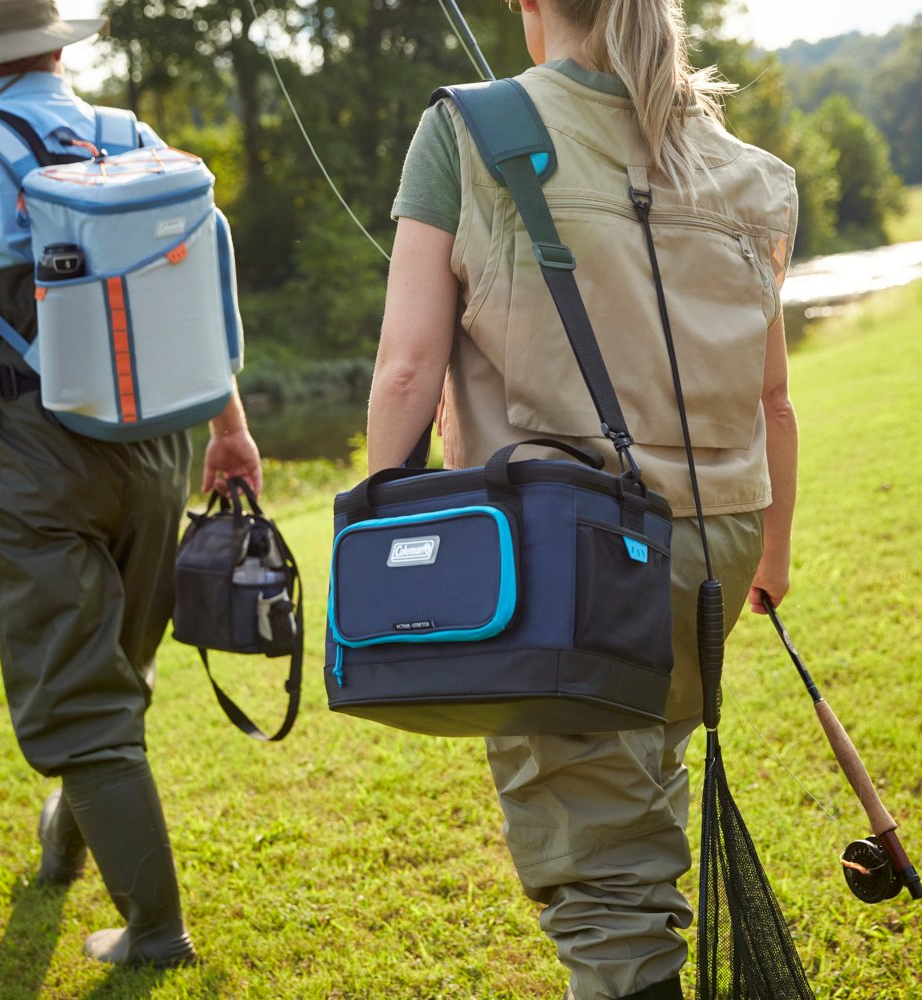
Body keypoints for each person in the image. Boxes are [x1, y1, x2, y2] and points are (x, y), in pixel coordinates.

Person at [367, 0, 799, 996]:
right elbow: (774, 399)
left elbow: (405, 369)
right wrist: (771, 554)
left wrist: (379, 527)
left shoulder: (462, 128)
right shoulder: (735, 163)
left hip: (570, 559)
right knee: (639, 771)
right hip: (720, 547)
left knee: (603, 888)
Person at [0, 0, 262, 969]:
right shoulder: (131, 136)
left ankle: (155, 927)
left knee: (80, 693)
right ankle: (64, 838)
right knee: (114, 665)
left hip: (34, 452)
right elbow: (193, 299)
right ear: (58, 46)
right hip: (158, 443)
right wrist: (229, 430)